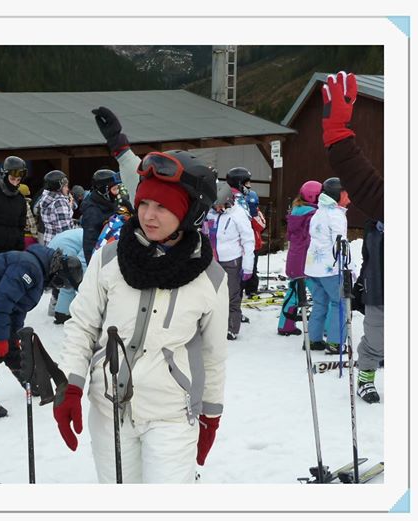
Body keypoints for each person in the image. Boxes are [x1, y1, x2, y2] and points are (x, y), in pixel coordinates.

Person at [54, 106, 227, 484]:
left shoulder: (210, 278)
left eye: (163, 207)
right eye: (144, 203)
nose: (148, 215)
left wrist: (211, 416)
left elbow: (213, 355)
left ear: (189, 215)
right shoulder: (110, 258)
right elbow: (82, 325)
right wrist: (71, 384)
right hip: (108, 410)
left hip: (170, 414)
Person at [0, 244, 83, 419]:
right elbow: (1, 303)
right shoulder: (29, 269)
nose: (58, 287)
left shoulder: (39, 271)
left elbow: (18, 307)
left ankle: (30, 380)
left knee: (10, 343)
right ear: (58, 273)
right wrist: (0, 338)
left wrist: (14, 334)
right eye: (61, 283)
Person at [322, 70, 384, 403]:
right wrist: (337, 132)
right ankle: (367, 375)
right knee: (377, 338)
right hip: (384, 287)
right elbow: (364, 183)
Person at [203, 181, 255, 341]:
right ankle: (211, 326)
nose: (217, 209)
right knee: (211, 295)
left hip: (231, 261)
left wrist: (248, 266)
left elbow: (248, 241)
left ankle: (231, 327)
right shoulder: (211, 214)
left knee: (231, 295)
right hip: (212, 260)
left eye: (220, 205)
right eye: (215, 206)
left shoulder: (238, 215)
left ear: (228, 201)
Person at [304, 176, 350, 354]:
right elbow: (339, 243)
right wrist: (346, 266)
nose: (349, 198)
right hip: (329, 269)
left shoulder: (319, 211)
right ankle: (335, 343)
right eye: (346, 194)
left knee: (320, 303)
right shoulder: (336, 215)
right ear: (338, 194)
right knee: (340, 303)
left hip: (313, 267)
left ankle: (313, 339)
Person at [277, 181, 322, 337]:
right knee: (321, 297)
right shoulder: (312, 215)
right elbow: (313, 239)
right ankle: (324, 327)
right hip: (306, 262)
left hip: (295, 260)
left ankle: (285, 325)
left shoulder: (297, 211)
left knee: (294, 292)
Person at [80, 168, 124, 264]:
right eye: (114, 189)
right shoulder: (92, 213)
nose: (117, 193)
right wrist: (93, 266)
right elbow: (89, 244)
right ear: (104, 191)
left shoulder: (109, 202)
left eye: (118, 188)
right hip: (102, 257)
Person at [36, 170, 76, 245]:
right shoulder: (59, 202)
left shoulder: (46, 199)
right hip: (60, 245)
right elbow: (65, 231)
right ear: (58, 187)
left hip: (49, 241)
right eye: (65, 186)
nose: (67, 189)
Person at [242, 179, 266, 297]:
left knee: (252, 266)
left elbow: (261, 226)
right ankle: (238, 288)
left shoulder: (257, 212)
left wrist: (253, 215)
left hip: (254, 244)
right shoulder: (238, 211)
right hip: (240, 244)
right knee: (240, 267)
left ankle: (251, 289)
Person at [18, 183, 39, 248]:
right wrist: (36, 236)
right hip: (27, 236)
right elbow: (31, 223)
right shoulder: (26, 205)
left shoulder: (13, 203)